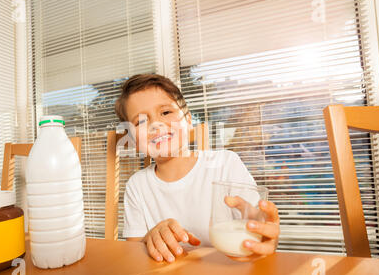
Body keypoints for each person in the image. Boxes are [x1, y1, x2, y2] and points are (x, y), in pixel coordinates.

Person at [114, 73, 280, 263]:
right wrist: (149, 239)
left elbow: (258, 228)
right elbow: (134, 253)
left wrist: (265, 235)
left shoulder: (226, 164)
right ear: (133, 141)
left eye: (166, 112)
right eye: (140, 122)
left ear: (189, 119)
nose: (156, 125)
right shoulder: (137, 185)